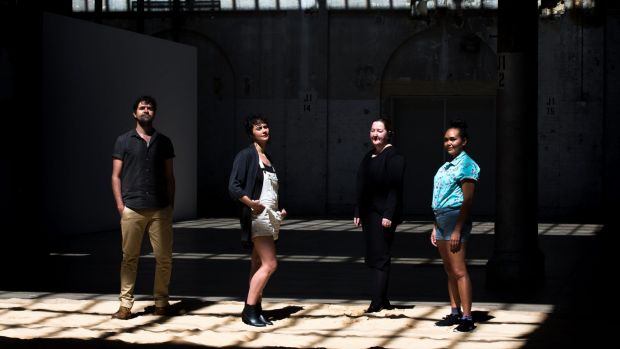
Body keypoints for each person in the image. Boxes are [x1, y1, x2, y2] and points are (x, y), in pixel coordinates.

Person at [110, 95, 175, 320]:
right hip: (133, 208)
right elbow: (115, 176)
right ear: (134, 113)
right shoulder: (123, 141)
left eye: (149, 108)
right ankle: (125, 305)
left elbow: (170, 177)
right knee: (129, 257)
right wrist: (120, 205)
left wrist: (170, 206)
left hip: (160, 208)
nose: (145, 110)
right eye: (141, 107)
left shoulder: (164, 142)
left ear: (154, 113)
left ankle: (161, 302)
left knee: (164, 257)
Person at [228, 115, 287, 327]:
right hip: (257, 216)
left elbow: (271, 190)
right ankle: (249, 309)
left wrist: (279, 210)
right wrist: (250, 204)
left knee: (257, 263)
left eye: (266, 126)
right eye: (259, 128)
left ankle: (257, 308)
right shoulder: (246, 155)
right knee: (270, 264)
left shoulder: (268, 157)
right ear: (251, 132)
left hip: (270, 216)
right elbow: (233, 187)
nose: (264, 130)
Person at [430, 119, 480, 332]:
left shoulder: (467, 165)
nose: (448, 143)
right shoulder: (445, 166)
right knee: (449, 270)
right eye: (446, 139)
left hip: (454, 219)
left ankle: (468, 317)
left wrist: (458, 229)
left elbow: (467, 201)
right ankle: (454, 312)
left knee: (459, 270)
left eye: (453, 139)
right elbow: (439, 197)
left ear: (464, 141)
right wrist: (435, 226)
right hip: (441, 219)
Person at [353, 117, 405, 313]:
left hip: (383, 214)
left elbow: (395, 188)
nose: (375, 134)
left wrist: (389, 214)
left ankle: (377, 301)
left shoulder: (394, 156)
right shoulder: (369, 156)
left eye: (380, 131)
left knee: (381, 256)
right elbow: (361, 185)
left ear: (388, 133)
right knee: (373, 255)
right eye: (373, 130)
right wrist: (358, 209)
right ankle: (382, 299)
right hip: (368, 213)